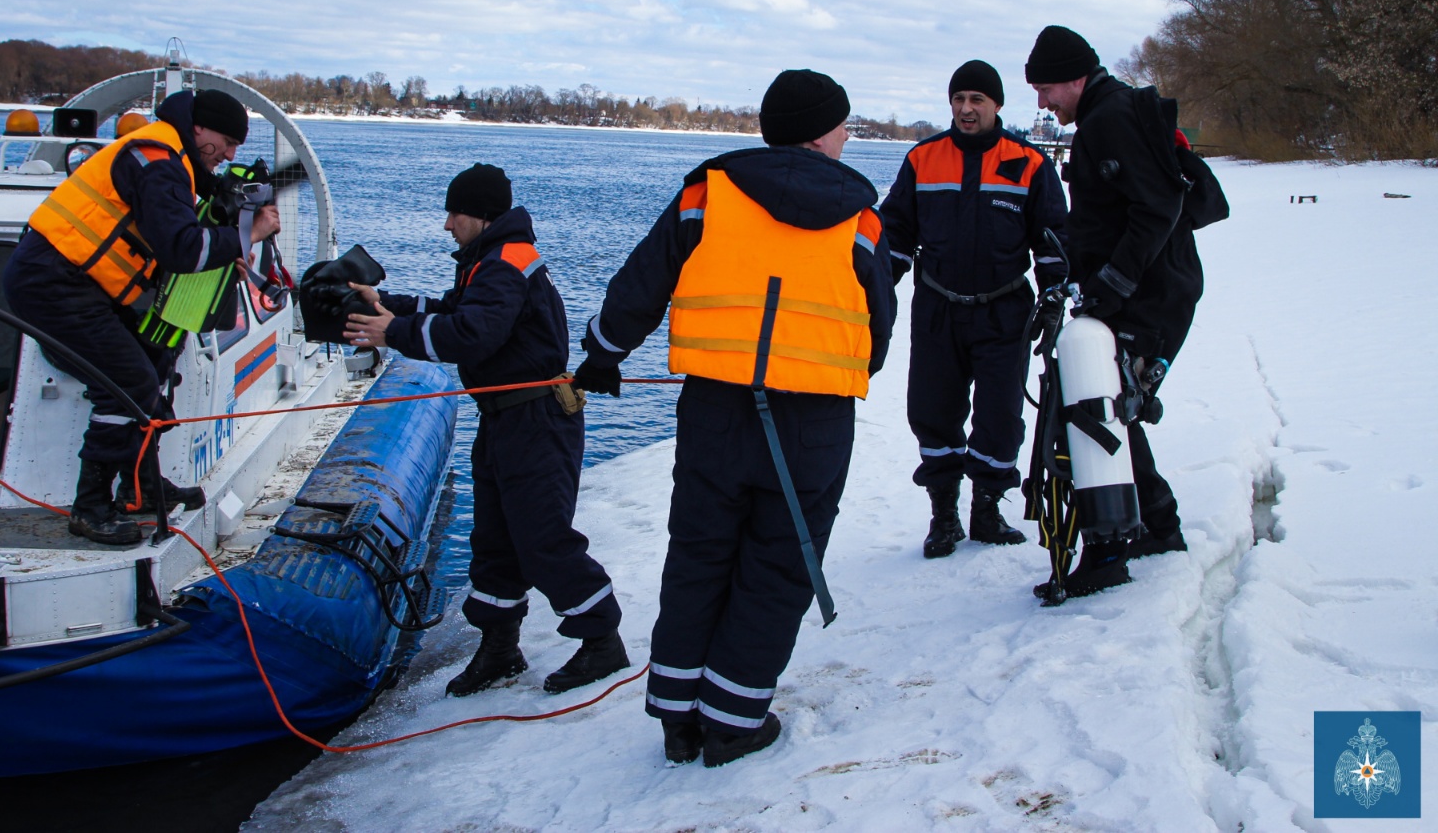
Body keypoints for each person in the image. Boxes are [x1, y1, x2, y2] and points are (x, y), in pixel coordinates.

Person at [574, 70, 896, 767]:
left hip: (715, 410)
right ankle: (734, 722)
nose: (848, 137)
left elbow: (643, 280)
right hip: (813, 422)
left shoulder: (708, 191)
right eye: (844, 125)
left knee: (699, 555)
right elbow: (878, 325)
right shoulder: (863, 218)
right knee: (778, 566)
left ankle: (678, 718)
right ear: (821, 132)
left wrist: (602, 353)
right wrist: (834, 372)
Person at [342, 163, 628, 697]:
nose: (447, 224)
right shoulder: (490, 260)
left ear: (482, 215)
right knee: (494, 539)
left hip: (536, 421)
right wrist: (384, 306)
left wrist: (393, 331)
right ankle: (500, 648)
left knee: (542, 538)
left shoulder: (505, 262)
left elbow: (473, 334)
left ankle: (602, 641)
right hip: (506, 418)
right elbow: (452, 310)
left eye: (455, 213)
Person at [4, 89, 279, 545]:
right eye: (228, 142)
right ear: (199, 129)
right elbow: (182, 249)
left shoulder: (169, 157)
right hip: (51, 281)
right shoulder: (157, 161)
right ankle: (90, 508)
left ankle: (141, 487)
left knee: (153, 362)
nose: (230, 155)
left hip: (79, 281)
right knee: (127, 383)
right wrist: (246, 235)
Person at [1025, 25, 1206, 594]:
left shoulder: (1112, 118)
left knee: (1099, 405)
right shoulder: (1109, 113)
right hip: (1153, 288)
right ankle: (1157, 526)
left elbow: (1159, 206)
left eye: (1046, 88)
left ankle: (1108, 552)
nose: (1043, 103)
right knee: (1116, 405)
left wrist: (1113, 282)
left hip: (1149, 293)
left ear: (1076, 78)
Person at [879, 60, 1068, 559]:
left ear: (996, 105)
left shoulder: (1029, 163)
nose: (966, 108)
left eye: (976, 100)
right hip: (937, 309)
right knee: (932, 411)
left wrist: (1054, 295)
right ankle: (944, 515)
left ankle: (987, 510)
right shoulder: (923, 159)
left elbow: (1054, 240)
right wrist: (876, 285)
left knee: (1000, 417)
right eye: (959, 99)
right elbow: (896, 233)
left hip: (1004, 311)